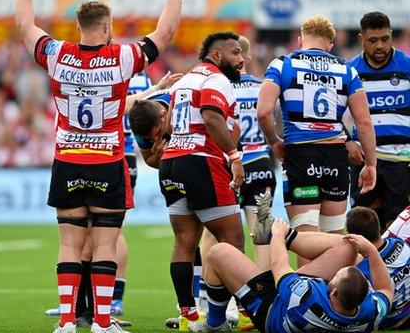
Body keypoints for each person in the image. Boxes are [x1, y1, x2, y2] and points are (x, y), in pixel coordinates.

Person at [14, 0, 184, 331]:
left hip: (68, 159)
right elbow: (165, 32)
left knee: (70, 243)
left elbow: (24, 25)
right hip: (107, 159)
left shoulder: (57, 54)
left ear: (79, 26)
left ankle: (66, 321)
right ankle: (102, 322)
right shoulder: (122, 57)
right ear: (107, 27)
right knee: (106, 243)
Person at [44, 70, 181, 328]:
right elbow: (128, 106)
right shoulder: (131, 73)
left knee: (90, 239)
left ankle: (85, 310)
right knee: (100, 238)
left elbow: (124, 107)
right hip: (112, 156)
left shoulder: (86, 70)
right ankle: (94, 310)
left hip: (97, 154)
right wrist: (157, 88)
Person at [140, 31, 245, 332]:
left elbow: (171, 123)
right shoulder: (216, 80)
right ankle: (224, 317)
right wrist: (235, 157)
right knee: (232, 240)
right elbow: (211, 118)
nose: (242, 59)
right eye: (236, 52)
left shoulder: (184, 80)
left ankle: (188, 317)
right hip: (201, 162)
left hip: (173, 162)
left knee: (184, 242)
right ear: (216, 55)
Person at [257, 15, 377, 267]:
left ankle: (307, 301)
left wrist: (275, 142)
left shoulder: (283, 64)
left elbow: (263, 111)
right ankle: (335, 301)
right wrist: (371, 165)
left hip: (301, 158)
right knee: (335, 237)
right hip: (335, 159)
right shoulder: (346, 69)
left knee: (306, 236)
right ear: (330, 44)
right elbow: (364, 121)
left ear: (300, 40)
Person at [203, 218, 394, 333]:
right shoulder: (371, 313)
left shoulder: (304, 295)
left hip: (271, 308)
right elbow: (386, 288)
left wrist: (277, 233)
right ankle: (291, 236)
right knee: (349, 247)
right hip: (294, 299)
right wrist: (371, 249)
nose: (332, 275)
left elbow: (278, 264)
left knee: (218, 252)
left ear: (334, 293)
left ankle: (216, 324)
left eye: (334, 277)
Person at [345, 11, 410, 230]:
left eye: (385, 39)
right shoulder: (350, 71)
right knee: (367, 227)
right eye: (373, 40)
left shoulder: (407, 66)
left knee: (397, 226)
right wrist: (348, 141)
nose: (380, 46)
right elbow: (337, 114)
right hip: (363, 160)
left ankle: (398, 265)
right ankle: (369, 265)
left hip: (401, 159)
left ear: (391, 35)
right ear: (361, 39)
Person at [232, 35, 275, 270]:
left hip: (231, 164)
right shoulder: (262, 88)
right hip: (260, 162)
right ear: (248, 57)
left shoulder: (221, 88)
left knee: (216, 234)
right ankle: (265, 297)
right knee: (262, 233)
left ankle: (212, 299)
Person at [346, 206, 410, 329]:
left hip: (391, 322)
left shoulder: (361, 272)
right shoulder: (400, 243)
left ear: (352, 237)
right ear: (379, 227)